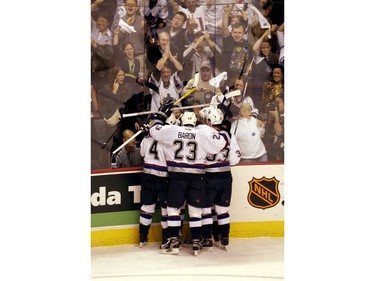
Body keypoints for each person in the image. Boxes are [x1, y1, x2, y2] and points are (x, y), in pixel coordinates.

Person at [144, 107, 227, 255]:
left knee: (173, 210)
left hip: (177, 178)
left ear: (181, 122)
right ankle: (196, 243)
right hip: (197, 177)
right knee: (196, 211)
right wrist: (222, 131)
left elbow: (154, 129)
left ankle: (174, 244)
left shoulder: (172, 130)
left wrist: (160, 115)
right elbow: (221, 144)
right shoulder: (201, 133)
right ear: (195, 123)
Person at [198, 106, 241, 250]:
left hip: (208, 175)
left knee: (205, 210)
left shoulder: (200, 132)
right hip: (225, 176)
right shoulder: (228, 135)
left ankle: (207, 240)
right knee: (222, 210)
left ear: (209, 121)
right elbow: (235, 161)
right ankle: (225, 239)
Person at [138, 123, 169, 247]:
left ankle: (142, 237)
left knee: (147, 208)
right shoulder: (167, 140)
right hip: (163, 178)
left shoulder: (146, 138)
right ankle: (166, 239)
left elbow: (142, 154)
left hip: (148, 177)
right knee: (165, 210)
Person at [250, 29, 278, 112]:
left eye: (267, 47)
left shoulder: (273, 58)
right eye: (263, 48)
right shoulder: (258, 58)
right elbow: (254, 49)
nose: (265, 49)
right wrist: (263, 36)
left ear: (270, 48)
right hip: (258, 90)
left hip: (269, 89)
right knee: (259, 109)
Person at [220, 4, 250, 82]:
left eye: (239, 33)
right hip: (228, 77)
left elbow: (249, 62)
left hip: (241, 79)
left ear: (243, 33)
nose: (237, 35)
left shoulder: (248, 45)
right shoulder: (228, 40)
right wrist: (226, 14)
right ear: (232, 32)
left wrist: (247, 73)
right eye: (235, 32)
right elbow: (225, 27)